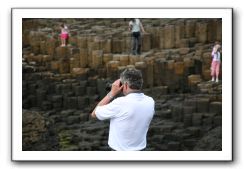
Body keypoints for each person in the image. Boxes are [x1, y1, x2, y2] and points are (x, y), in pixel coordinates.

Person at [91, 68, 155, 151]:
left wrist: (111, 93)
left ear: (125, 85)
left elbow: (94, 113)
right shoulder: (150, 101)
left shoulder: (120, 103)